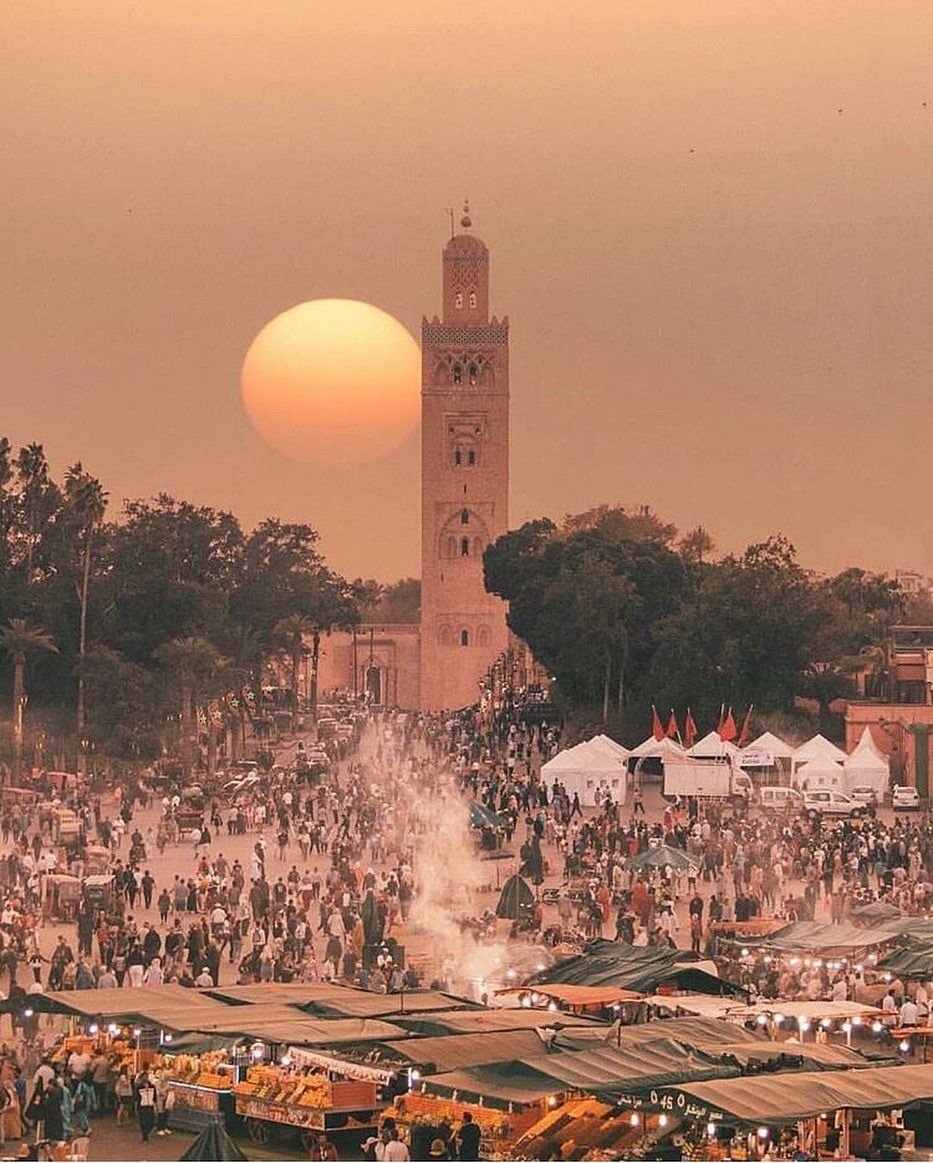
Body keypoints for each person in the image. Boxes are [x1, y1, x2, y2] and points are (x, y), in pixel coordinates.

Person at [135, 1069, 157, 1141]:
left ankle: (148, 1131)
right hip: (142, 1106)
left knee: (151, 1121)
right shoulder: (139, 1088)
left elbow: (155, 1097)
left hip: (150, 1105)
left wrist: (155, 1105)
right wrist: (136, 1107)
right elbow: (136, 1098)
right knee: (143, 1121)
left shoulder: (152, 1087)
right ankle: (145, 1134)